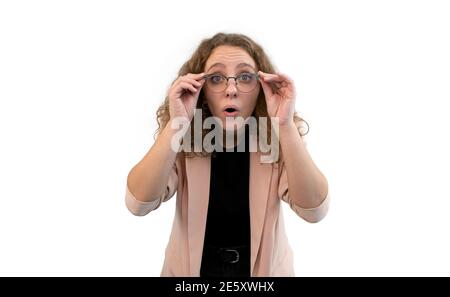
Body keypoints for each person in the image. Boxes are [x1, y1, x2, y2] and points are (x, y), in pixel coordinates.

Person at [125, 33, 330, 277]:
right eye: (216, 78)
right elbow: (138, 203)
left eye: (245, 77)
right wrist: (176, 123)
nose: (231, 89)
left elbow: (314, 210)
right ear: (201, 90)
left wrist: (284, 125)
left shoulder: (276, 138)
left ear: (261, 88)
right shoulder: (183, 139)